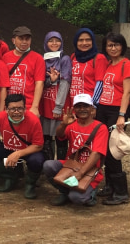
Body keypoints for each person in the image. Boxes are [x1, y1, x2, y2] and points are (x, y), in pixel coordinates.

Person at [43, 94, 108, 207]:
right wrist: (63, 124)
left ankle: (91, 193)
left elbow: (96, 153)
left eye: (86, 106)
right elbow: (60, 136)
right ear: (74, 109)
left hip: (90, 169)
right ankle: (65, 192)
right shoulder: (72, 123)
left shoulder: (100, 128)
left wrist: (81, 173)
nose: (82, 109)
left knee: (77, 198)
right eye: (78, 106)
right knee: (48, 165)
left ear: (92, 108)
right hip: (71, 165)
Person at [95, 32, 130, 205]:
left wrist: (121, 115)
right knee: (103, 149)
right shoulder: (108, 64)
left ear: (122, 46)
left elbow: (127, 92)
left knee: (113, 151)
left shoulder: (127, 65)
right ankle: (110, 186)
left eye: (116, 44)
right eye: (109, 45)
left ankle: (121, 192)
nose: (113, 48)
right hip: (103, 109)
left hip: (115, 111)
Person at [0, 94, 44, 199]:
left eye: (20, 108)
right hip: (7, 147)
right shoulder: (0, 117)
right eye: (12, 109)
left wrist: (17, 154)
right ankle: (10, 177)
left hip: (28, 150)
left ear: (25, 108)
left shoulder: (33, 120)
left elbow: (38, 145)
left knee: (37, 160)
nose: (16, 112)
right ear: (6, 109)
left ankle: (30, 184)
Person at [40, 31, 72, 162]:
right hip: (45, 102)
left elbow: (65, 82)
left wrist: (58, 107)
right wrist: (51, 80)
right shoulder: (43, 59)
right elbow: (43, 83)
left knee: (60, 135)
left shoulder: (65, 59)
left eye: (57, 40)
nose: (54, 43)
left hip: (59, 103)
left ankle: (61, 165)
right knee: (46, 136)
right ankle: (49, 166)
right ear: (46, 43)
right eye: (51, 41)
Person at [1, 26, 45, 117]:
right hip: (9, 106)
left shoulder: (38, 58)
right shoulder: (5, 57)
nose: (24, 42)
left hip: (27, 106)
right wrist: (3, 106)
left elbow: (39, 83)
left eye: (27, 39)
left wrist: (35, 107)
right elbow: (3, 85)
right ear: (13, 40)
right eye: (21, 39)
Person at [69, 28, 108, 106]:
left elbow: (100, 83)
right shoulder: (73, 57)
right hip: (74, 103)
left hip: (88, 105)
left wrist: (92, 104)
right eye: (80, 40)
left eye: (88, 40)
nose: (84, 43)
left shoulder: (99, 58)